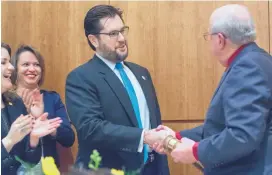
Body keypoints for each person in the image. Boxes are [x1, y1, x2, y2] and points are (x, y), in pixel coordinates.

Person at [152, 4, 272, 175]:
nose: (208, 40)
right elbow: (220, 126)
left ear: (220, 39)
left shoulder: (246, 67)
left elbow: (242, 135)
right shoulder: (257, 60)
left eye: (208, 36)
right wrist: (177, 137)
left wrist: (194, 151)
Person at [65, 4, 169, 175]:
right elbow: (91, 128)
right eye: (113, 34)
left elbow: (154, 124)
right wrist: (144, 137)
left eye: (122, 30)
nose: (121, 38)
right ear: (93, 40)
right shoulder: (80, 78)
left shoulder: (141, 73)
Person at [1, 42, 62, 174]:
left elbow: (28, 160)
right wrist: (8, 141)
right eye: (3, 62)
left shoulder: (14, 103)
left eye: (36, 64)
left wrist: (33, 138)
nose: (10, 67)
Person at [11, 44, 75, 167]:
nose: (32, 69)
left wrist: (48, 125)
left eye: (36, 65)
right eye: (26, 65)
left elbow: (69, 138)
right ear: (15, 69)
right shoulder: (7, 100)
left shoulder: (52, 98)